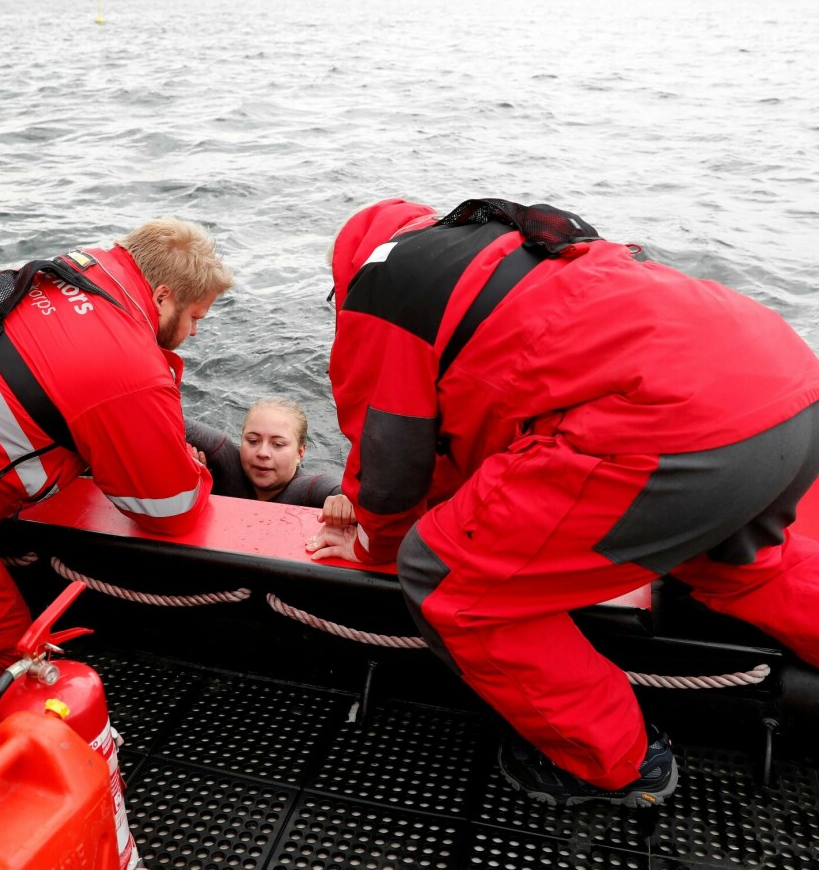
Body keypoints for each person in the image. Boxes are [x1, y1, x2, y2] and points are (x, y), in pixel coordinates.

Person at [306, 195, 819, 807]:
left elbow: (390, 467)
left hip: (671, 429)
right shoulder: (508, 248)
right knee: (739, 567)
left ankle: (620, 764)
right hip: (788, 389)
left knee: (447, 580)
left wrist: (373, 546)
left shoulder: (380, 287)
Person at [0, 217, 234, 669]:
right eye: (195, 317)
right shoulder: (131, 369)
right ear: (162, 296)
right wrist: (194, 467)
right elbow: (170, 510)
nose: (195, 333)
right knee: (12, 648)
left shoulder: (74, 268)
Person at [185, 397, 355, 525]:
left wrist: (345, 501)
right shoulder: (226, 461)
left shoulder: (308, 489)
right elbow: (166, 419)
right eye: (253, 441)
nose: (263, 453)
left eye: (278, 444)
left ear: (300, 452)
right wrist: (194, 483)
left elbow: (341, 491)